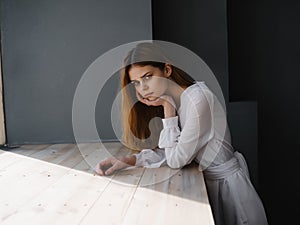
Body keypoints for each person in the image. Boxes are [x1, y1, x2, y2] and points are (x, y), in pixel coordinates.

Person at [95, 42, 268, 225]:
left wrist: (168, 110)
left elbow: (176, 160)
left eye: (148, 77)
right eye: (136, 83)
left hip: (231, 193)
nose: (143, 88)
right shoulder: (181, 99)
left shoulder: (197, 99)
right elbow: (172, 151)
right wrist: (127, 161)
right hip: (210, 188)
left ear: (167, 70)